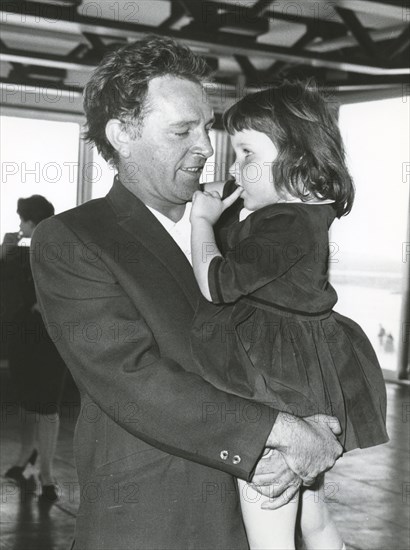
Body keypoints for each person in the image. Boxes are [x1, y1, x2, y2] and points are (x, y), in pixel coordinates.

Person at [31, 36, 343, 549]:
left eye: (207, 127)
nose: (206, 146)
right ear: (122, 135)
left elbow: (304, 334)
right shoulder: (73, 240)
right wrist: (281, 432)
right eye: (182, 130)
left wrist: (317, 427)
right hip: (154, 523)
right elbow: (133, 380)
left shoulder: (248, 223)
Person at [190, 82, 389, 549]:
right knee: (314, 522)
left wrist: (201, 221)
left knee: (268, 532)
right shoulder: (301, 214)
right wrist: (225, 202)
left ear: (296, 160)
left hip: (273, 383)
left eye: (244, 154)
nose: (234, 168)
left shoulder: (284, 223)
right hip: (302, 378)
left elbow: (216, 282)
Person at [1, 195, 67, 502]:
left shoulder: (58, 251)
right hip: (24, 338)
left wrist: (50, 306)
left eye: (22, 220)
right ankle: (27, 458)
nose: (19, 226)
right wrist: (4, 251)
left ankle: (47, 475)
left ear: (31, 221)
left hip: (48, 339)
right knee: (29, 402)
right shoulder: (17, 254)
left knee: (46, 406)